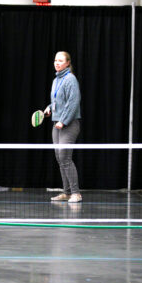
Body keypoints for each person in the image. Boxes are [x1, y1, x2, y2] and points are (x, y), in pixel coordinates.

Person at [44, 50, 81, 203]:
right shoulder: (56, 80)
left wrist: (63, 121)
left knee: (66, 158)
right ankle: (66, 192)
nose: (57, 63)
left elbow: (73, 103)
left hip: (69, 125)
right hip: (57, 124)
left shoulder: (70, 79)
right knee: (60, 159)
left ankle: (76, 193)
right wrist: (49, 108)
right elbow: (57, 101)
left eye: (60, 61)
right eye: (55, 60)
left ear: (67, 63)